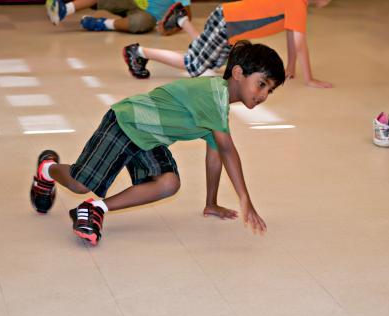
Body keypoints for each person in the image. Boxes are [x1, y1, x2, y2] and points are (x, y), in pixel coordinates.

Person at [29, 41, 285, 245]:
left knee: (168, 183)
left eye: (269, 90)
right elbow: (228, 150)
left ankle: (95, 208)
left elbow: (215, 156)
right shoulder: (212, 95)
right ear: (238, 73)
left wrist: (211, 203)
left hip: (150, 139)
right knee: (80, 183)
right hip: (127, 123)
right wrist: (245, 199)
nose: (263, 95)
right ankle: (47, 169)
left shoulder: (218, 110)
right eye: (261, 84)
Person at [122, 0, 333, 88]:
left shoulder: (295, 3)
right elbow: (299, 42)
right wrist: (310, 78)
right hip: (228, 25)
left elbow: (291, 35)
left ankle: (181, 19)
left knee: (207, 61)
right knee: (194, 65)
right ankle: (138, 52)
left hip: (227, 20)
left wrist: (291, 67)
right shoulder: (297, 5)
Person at [45, 0, 191, 34]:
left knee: (141, 22)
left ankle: (102, 24)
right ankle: (64, 10)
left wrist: (169, 29)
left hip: (149, 15)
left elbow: (187, 15)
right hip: (131, 2)